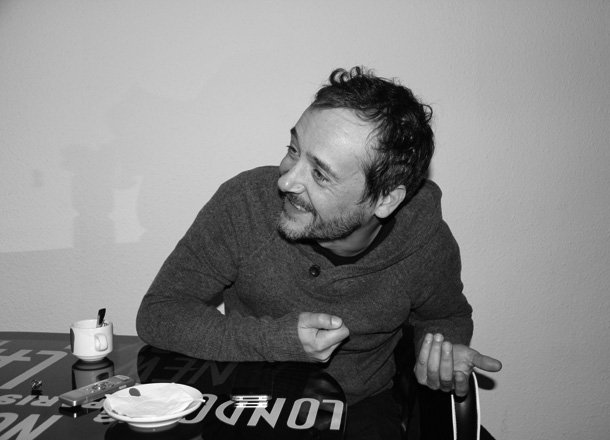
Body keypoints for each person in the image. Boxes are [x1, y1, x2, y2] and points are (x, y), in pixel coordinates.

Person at [136, 66, 502, 439]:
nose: (286, 181)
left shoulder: (425, 243)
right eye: (293, 150)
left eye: (321, 175)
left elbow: (446, 315)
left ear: (385, 200)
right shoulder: (244, 204)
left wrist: (441, 351)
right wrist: (277, 339)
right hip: (248, 402)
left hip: (359, 410)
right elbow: (159, 312)